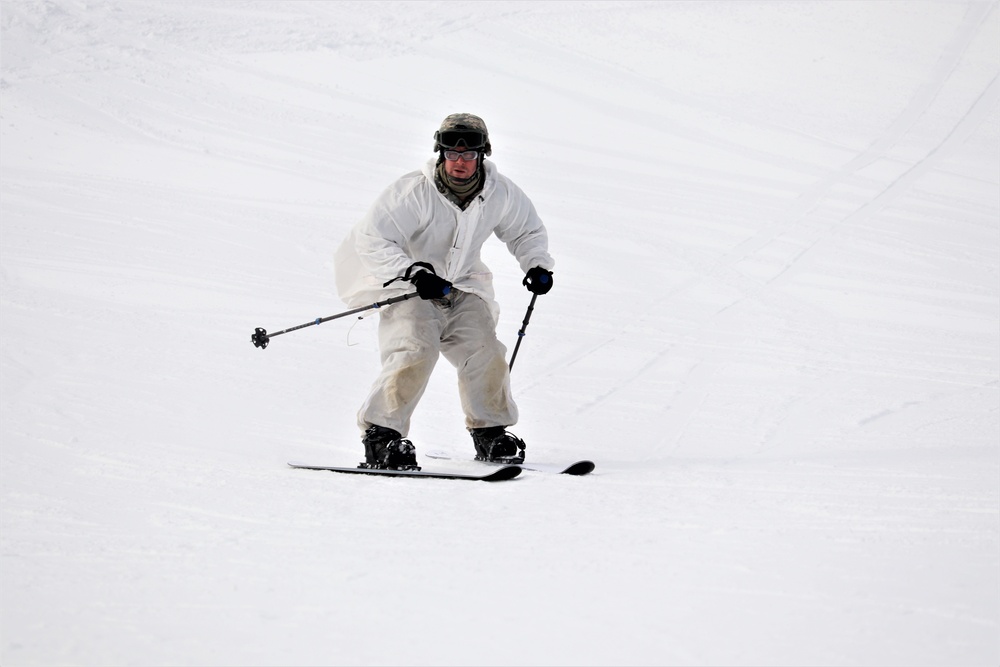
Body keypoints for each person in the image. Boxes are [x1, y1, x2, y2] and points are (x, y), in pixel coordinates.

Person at [334, 113, 554, 470]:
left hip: (464, 285)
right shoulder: (413, 192)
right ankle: (381, 437)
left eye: (469, 155)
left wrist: (537, 264)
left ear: (483, 155)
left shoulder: (499, 193)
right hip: (411, 289)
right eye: (452, 154)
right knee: (416, 349)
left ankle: (491, 434)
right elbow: (373, 239)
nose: (460, 162)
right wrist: (413, 272)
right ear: (441, 154)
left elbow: (526, 231)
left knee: (485, 351)